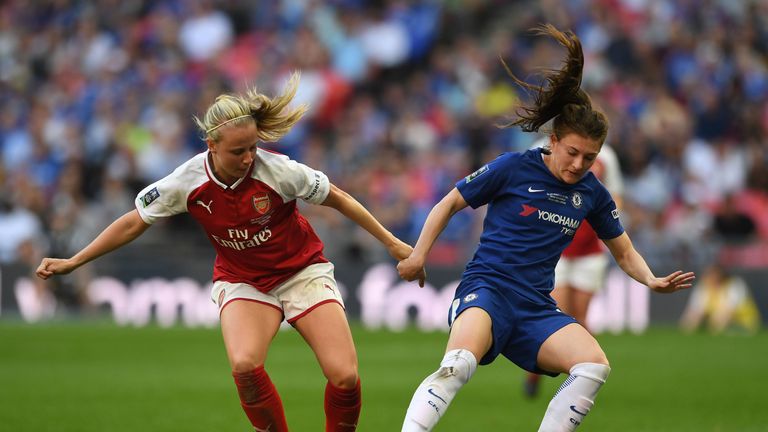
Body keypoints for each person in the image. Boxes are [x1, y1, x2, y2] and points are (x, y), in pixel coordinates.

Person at [36, 72, 413, 432]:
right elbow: (135, 221)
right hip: (244, 281)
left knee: (345, 376)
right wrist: (75, 260)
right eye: (238, 151)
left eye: (252, 147)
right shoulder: (187, 181)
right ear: (211, 146)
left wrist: (393, 243)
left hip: (302, 272)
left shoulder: (279, 170)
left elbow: (340, 199)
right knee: (245, 365)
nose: (249, 157)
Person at [396, 24, 695, 432]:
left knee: (593, 366)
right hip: (487, 290)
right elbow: (448, 202)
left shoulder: (593, 192)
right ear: (553, 141)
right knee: (459, 365)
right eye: (572, 152)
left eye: (589, 158)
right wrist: (418, 254)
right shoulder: (513, 167)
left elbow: (623, 250)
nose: (578, 164)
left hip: (535, 306)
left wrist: (651, 279)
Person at [523, 142, 624, 398]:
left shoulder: (606, 156)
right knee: (558, 313)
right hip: (556, 250)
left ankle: (578, 378)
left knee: (581, 317)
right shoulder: (540, 150)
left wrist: (609, 225)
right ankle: (535, 373)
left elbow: (615, 196)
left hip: (590, 251)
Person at [680, 263, 760, 335]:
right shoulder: (703, 286)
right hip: (714, 321)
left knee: (722, 317)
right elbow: (696, 309)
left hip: (742, 323)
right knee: (692, 318)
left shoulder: (734, 285)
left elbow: (729, 310)